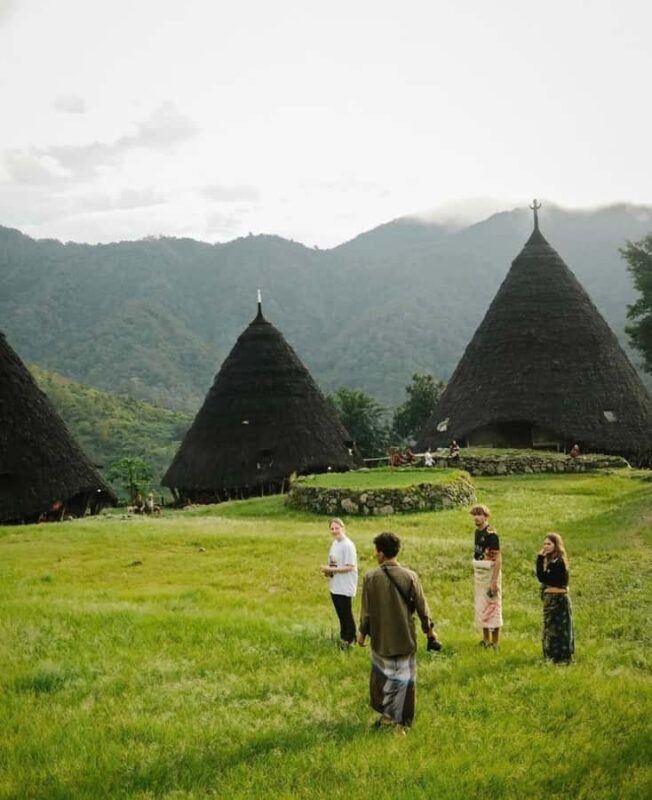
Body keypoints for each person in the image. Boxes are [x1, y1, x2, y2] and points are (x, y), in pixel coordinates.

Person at [357, 532, 439, 732]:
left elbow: (366, 612)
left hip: (381, 638)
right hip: (405, 636)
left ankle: (387, 718)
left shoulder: (370, 577)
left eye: (376, 551)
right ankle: (401, 724)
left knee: (383, 678)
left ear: (382, 554)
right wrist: (430, 634)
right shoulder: (410, 576)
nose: (375, 555)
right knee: (404, 679)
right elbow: (423, 610)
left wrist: (362, 634)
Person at [319, 518, 358, 648]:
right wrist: (328, 571)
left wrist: (330, 569)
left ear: (343, 528)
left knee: (346, 612)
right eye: (332, 528)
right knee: (340, 613)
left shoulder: (348, 545)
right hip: (335, 585)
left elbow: (350, 566)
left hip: (345, 585)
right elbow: (334, 563)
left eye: (337, 528)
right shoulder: (335, 544)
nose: (335, 531)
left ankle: (351, 639)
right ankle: (344, 637)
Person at [536, 533, 574, 664]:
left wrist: (540, 558)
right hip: (551, 599)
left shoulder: (559, 562)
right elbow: (542, 577)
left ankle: (561, 657)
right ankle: (551, 657)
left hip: (558, 600)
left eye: (549, 544)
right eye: (545, 544)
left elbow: (544, 578)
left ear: (556, 545)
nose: (546, 546)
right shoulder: (552, 561)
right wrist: (541, 559)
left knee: (559, 630)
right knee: (549, 629)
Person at [470, 504, 503, 648]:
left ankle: (495, 642)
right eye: (475, 514)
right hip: (480, 572)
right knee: (481, 605)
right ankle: (485, 639)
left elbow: (498, 559)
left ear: (486, 516)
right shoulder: (477, 532)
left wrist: (494, 581)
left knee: (493, 605)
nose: (477, 517)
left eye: (480, 514)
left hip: (490, 572)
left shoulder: (491, 535)